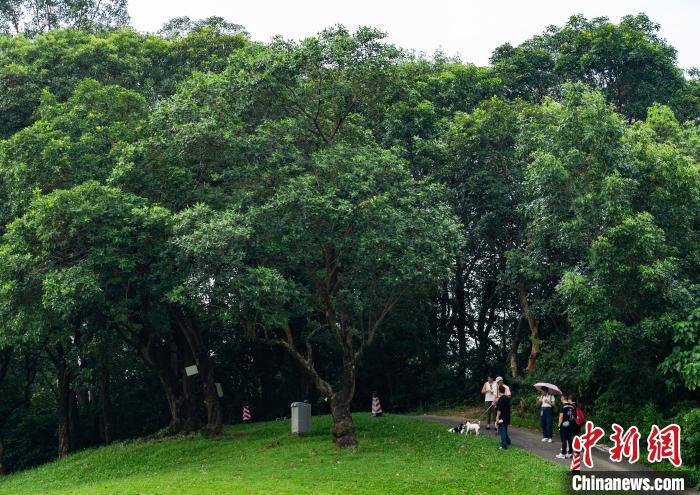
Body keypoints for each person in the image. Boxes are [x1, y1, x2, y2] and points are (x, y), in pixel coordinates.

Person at [556, 394, 578, 459]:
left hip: (564, 425)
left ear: (563, 398)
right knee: (569, 439)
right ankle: (570, 453)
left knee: (563, 439)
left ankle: (563, 454)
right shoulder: (572, 406)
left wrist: (559, 424)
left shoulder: (563, 406)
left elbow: (561, 416)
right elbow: (575, 417)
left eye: (561, 397)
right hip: (571, 425)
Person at [495, 384, 511, 450]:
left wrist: (497, 417)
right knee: (505, 430)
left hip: (502, 417)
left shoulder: (500, 399)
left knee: (502, 431)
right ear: (504, 391)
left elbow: (499, 409)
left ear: (499, 391)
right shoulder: (507, 398)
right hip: (507, 416)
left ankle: (504, 445)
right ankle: (508, 441)